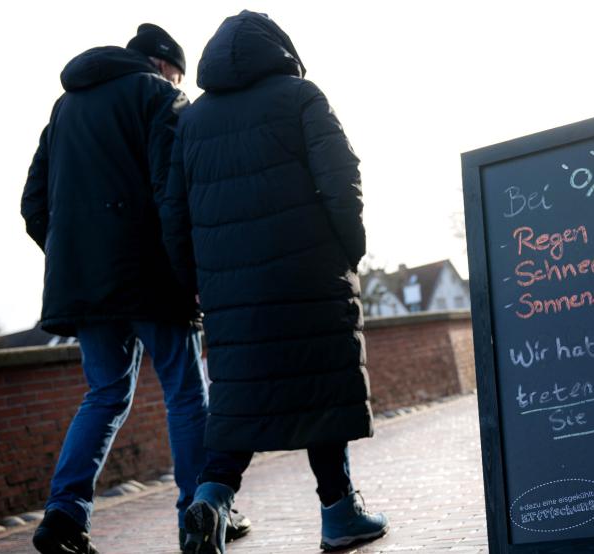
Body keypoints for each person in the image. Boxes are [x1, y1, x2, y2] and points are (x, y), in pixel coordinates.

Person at [158, 11, 388, 554]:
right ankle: (339, 514)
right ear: (279, 49)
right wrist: (347, 252)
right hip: (308, 275)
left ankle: (211, 499)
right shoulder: (301, 97)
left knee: (241, 405)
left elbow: (172, 211)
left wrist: (195, 281)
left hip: (230, 295)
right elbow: (342, 179)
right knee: (320, 391)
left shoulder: (192, 121)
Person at [20, 24, 249, 554]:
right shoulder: (157, 94)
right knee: (188, 395)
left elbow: (33, 205)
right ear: (164, 64)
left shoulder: (64, 108)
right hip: (151, 275)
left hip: (85, 285)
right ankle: (201, 512)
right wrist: (187, 271)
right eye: (179, 74)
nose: (181, 84)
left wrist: (77, 258)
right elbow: (174, 191)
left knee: (105, 394)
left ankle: (64, 517)